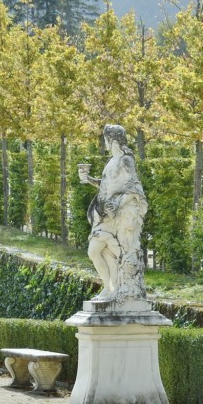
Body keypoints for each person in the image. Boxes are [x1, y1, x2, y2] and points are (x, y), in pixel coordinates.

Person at [77, 124, 148, 303]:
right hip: (103, 214)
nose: (104, 143)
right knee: (101, 252)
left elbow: (134, 188)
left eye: (105, 139)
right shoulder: (112, 160)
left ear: (112, 140)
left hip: (114, 215)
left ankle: (114, 289)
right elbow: (109, 185)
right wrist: (90, 180)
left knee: (100, 251)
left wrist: (117, 204)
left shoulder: (126, 160)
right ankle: (110, 288)